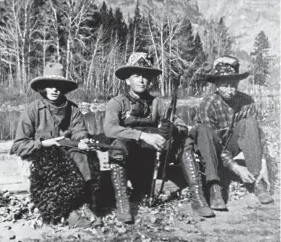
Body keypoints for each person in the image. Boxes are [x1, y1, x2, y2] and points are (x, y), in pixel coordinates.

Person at [104, 52, 215, 224]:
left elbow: (181, 125)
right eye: (136, 76)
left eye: (145, 76)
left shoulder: (158, 103)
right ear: (127, 80)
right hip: (131, 157)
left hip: (155, 156)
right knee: (117, 146)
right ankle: (123, 203)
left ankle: (198, 197)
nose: (141, 80)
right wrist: (142, 135)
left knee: (184, 143)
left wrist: (172, 129)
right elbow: (109, 129)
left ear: (150, 80)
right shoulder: (117, 103)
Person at [10, 62, 101, 226]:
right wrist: (44, 144)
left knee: (86, 158)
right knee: (54, 163)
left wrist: (83, 140)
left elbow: (79, 130)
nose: (54, 90)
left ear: (63, 89)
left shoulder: (73, 109)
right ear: (43, 88)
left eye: (58, 86)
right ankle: (66, 211)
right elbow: (18, 145)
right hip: (39, 156)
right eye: (50, 86)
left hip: (68, 153)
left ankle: (85, 204)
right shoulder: (32, 110)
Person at [194, 55, 274, 210]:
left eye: (233, 85)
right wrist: (236, 168)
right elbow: (215, 145)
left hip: (230, 146)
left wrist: (263, 163)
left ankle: (256, 179)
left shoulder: (247, 101)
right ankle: (214, 188)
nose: (230, 90)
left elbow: (258, 136)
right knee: (204, 132)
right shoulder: (208, 104)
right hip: (211, 150)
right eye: (225, 85)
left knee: (250, 123)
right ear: (216, 85)